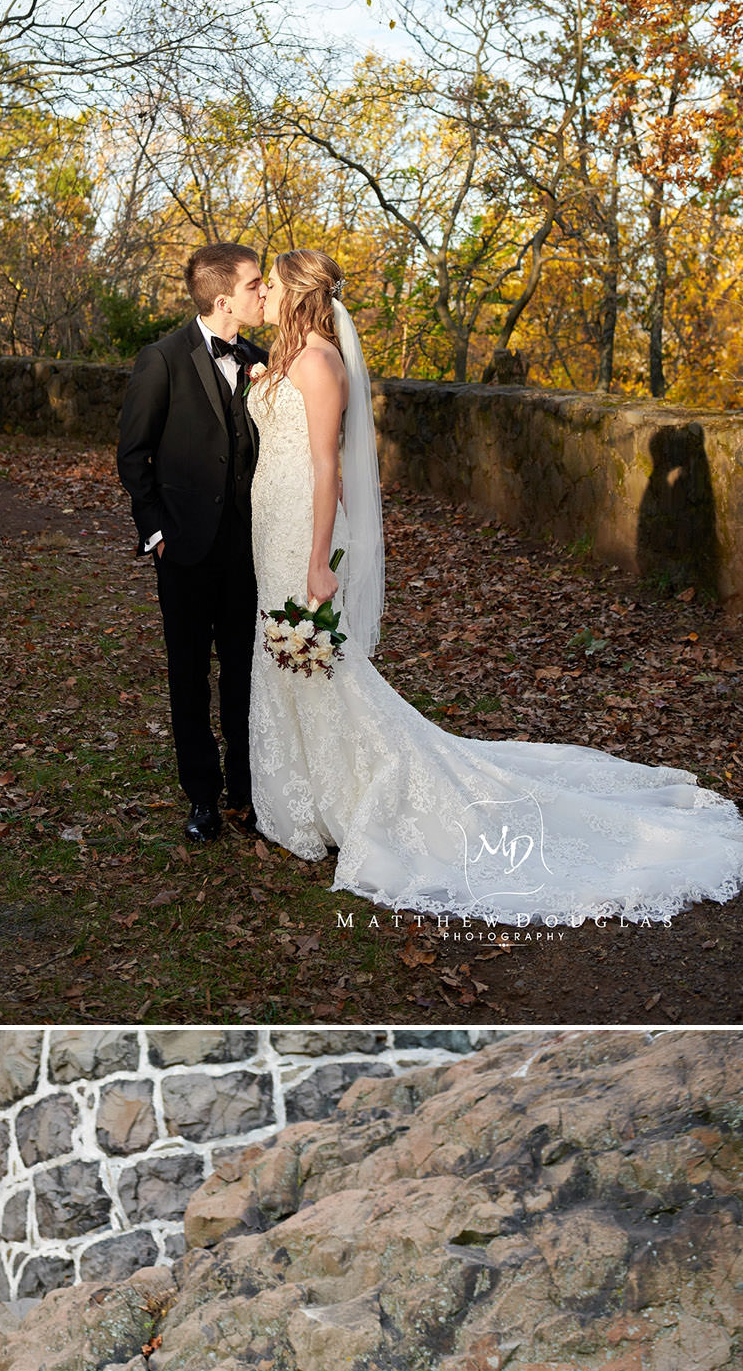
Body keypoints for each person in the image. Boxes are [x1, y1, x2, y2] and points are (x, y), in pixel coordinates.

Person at [248, 247, 743, 920]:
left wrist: (315, 561)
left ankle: (344, 798)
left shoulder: (320, 362)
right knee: (284, 658)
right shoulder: (283, 358)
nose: (266, 296)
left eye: (273, 286)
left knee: (317, 662)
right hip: (268, 525)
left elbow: (327, 467)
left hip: (302, 532)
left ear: (299, 293)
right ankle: (297, 799)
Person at [115, 242, 269, 843]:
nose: (265, 294)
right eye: (257, 285)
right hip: (182, 548)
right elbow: (133, 455)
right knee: (188, 677)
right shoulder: (162, 360)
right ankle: (202, 798)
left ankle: (249, 791)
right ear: (224, 297)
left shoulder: (260, 359)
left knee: (245, 673)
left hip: (251, 549)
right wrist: (155, 532)